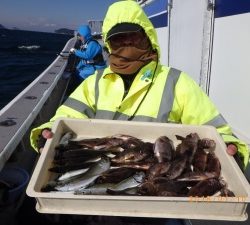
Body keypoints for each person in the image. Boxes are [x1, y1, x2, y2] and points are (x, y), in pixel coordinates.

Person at [30, 1, 249, 224]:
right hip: (105, 207)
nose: (126, 43)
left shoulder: (177, 82)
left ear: (148, 38)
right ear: (108, 44)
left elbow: (214, 127)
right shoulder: (94, 82)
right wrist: (47, 131)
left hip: (162, 210)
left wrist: (232, 148)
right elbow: (67, 118)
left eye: (133, 37)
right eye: (118, 39)